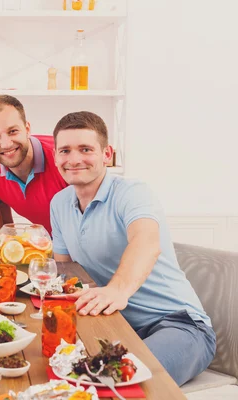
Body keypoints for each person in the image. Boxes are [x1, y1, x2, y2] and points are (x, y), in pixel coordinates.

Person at [49, 111, 215, 385]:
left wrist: (117, 290)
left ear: (107, 154)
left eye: (85, 149)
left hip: (180, 326)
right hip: (113, 327)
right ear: (55, 156)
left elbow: (147, 243)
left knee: (118, 381)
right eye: (65, 150)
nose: (74, 159)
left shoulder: (133, 192)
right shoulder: (59, 203)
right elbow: (66, 271)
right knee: (58, 373)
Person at [0, 94, 68, 233]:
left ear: (27, 129)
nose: (6, 144)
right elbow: (1, 213)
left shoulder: (62, 156)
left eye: (13, 131)